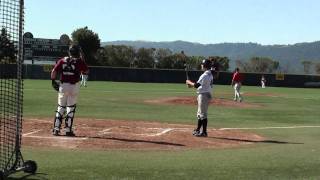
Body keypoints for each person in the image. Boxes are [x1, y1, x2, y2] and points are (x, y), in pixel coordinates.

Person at [51, 44, 89, 136]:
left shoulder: (62, 60)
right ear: (77, 52)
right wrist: (82, 62)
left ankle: (56, 129)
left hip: (63, 86)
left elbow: (53, 72)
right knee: (70, 108)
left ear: (69, 52)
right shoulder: (79, 61)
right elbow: (86, 71)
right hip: (73, 86)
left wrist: (53, 81)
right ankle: (68, 130)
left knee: (60, 107)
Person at [186, 59, 213, 137]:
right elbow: (201, 86)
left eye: (202, 64)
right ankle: (198, 130)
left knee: (203, 114)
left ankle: (204, 132)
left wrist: (189, 82)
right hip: (205, 94)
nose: (201, 65)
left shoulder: (205, 75)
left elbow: (197, 85)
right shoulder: (209, 74)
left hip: (204, 95)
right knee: (200, 114)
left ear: (204, 66)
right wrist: (191, 85)